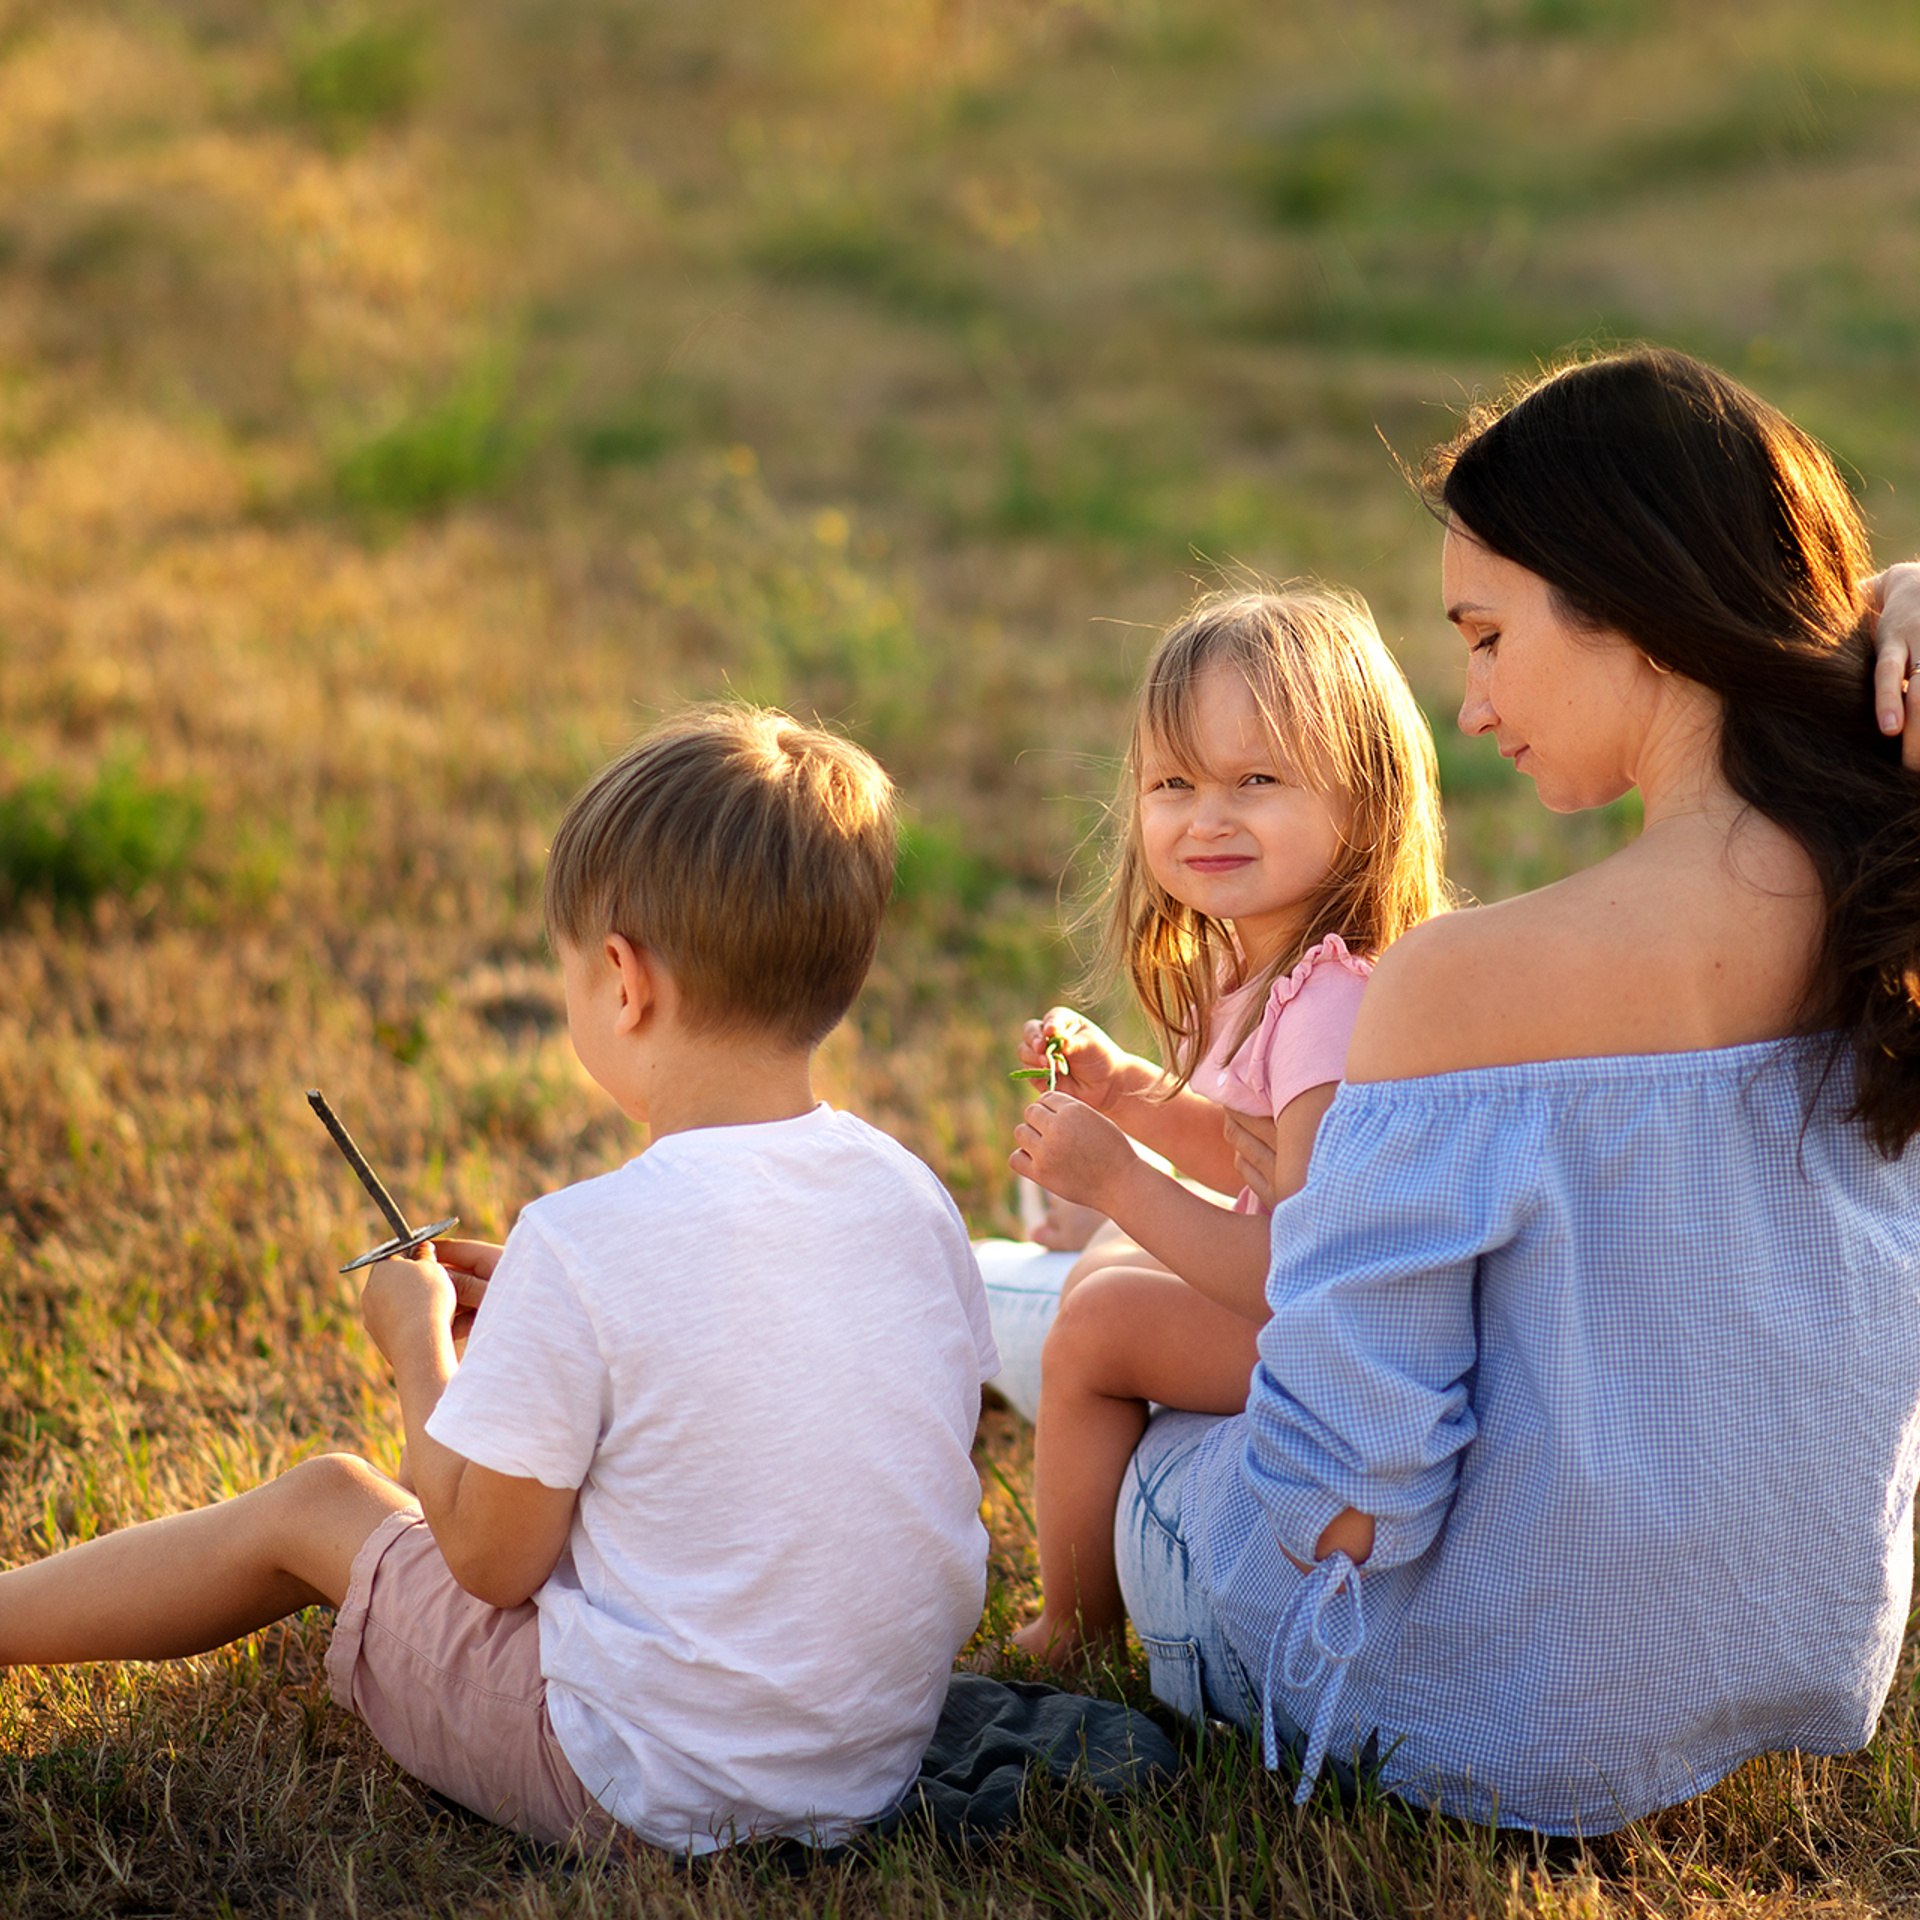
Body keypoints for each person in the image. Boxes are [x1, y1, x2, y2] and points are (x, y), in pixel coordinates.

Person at [1072, 346, 1920, 1834]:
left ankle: (1016, 1294)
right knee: (1116, 1274)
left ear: (1639, 618)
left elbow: (1348, 1489)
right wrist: (1893, 597)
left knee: (1111, 1317)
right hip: (1790, 1648)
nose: (1468, 707)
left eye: (1484, 634)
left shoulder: (1460, 987)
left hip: (1456, 1700)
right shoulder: (1888, 904)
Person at [0, 705, 999, 1857]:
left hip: (644, 1786)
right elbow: (845, 1416)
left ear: (622, 983)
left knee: (322, 1502)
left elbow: (486, 1562)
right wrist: (555, 1328)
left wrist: (422, 1352)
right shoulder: (910, 1193)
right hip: (868, 1757)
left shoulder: (587, 1241)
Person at [1000, 590, 1448, 1664]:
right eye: (1174, 784)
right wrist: (1130, 1094)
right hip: (1317, 1317)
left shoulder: (1331, 1005)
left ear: (1364, 800)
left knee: (1094, 1332)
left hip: (1349, 1356)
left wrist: (1118, 1181)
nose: (1206, 817)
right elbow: (1255, 1163)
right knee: (1099, 1282)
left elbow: (1292, 1268)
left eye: (1256, 780)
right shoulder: (1266, 964)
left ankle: (1074, 1625)